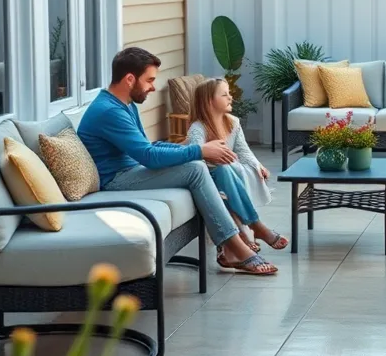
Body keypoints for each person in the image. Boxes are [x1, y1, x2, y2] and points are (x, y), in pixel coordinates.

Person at [77, 47, 278, 276]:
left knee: (208, 167)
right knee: (195, 168)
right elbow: (149, 157)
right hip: (115, 180)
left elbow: (148, 146)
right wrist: (198, 151)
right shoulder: (109, 111)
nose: (153, 87)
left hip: (130, 169)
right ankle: (236, 246)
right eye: (149, 80)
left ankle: (238, 240)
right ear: (130, 79)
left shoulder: (125, 105)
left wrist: (185, 148)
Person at [186, 78, 288, 255]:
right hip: (205, 177)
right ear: (210, 101)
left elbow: (243, 151)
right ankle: (256, 225)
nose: (230, 98)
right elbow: (195, 160)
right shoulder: (198, 128)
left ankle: (245, 234)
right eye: (224, 95)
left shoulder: (232, 122)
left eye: (229, 94)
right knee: (224, 169)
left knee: (239, 169)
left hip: (228, 175)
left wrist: (258, 165)